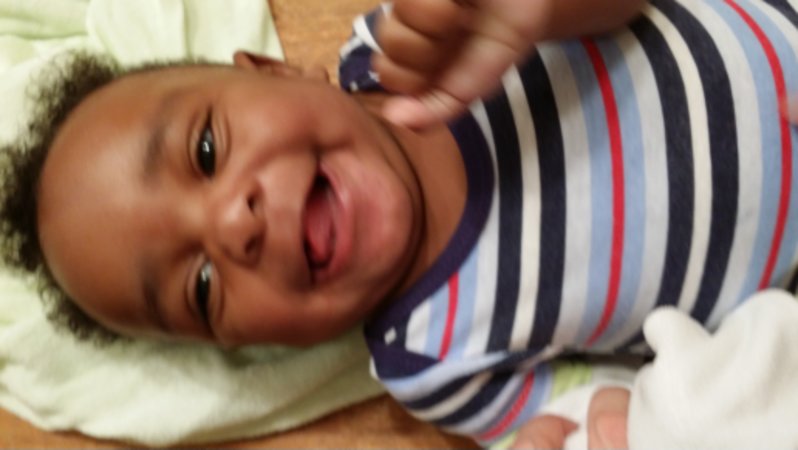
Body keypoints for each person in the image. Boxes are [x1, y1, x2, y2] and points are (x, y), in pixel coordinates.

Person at [1, 0, 798, 448]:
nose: (232, 226)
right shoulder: (432, 361)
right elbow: (618, 411)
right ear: (257, 347)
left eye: (206, 149)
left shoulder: (417, 43)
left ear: (277, 70)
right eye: (202, 287)